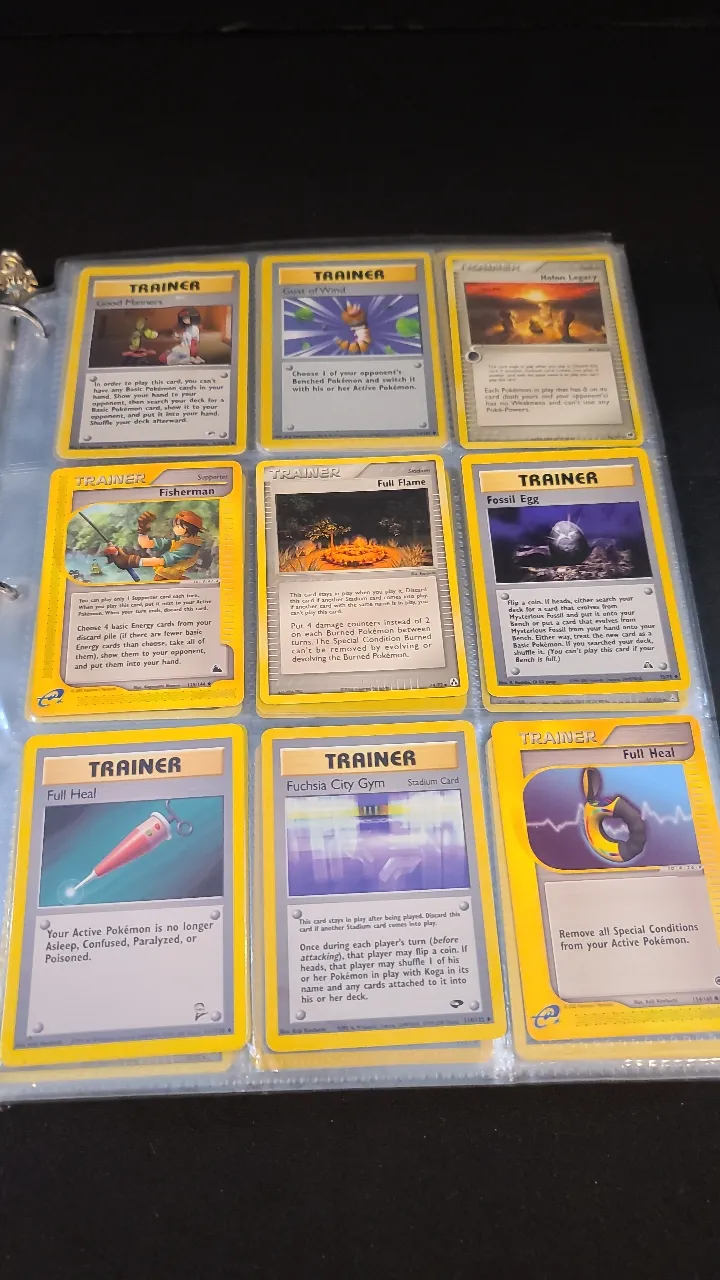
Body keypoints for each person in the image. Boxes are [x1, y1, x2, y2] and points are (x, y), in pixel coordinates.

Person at [105, 510, 205, 582]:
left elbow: (162, 561)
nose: (175, 527)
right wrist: (143, 530)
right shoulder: (177, 542)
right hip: (164, 578)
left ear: (190, 528)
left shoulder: (190, 547)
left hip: (171, 580)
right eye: (175, 525)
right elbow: (146, 544)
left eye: (178, 525)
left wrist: (131, 561)